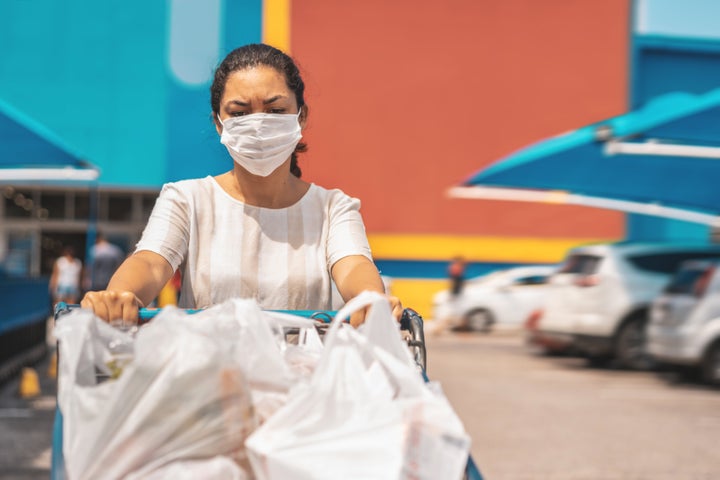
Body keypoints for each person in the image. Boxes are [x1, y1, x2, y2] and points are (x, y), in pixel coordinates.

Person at [81, 43, 401, 327]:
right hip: (207, 383)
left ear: (301, 117)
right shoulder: (186, 199)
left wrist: (370, 299)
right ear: (218, 123)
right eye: (240, 112)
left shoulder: (333, 208)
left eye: (276, 110)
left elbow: (353, 265)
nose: (258, 123)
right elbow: (151, 262)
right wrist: (119, 296)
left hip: (302, 384)